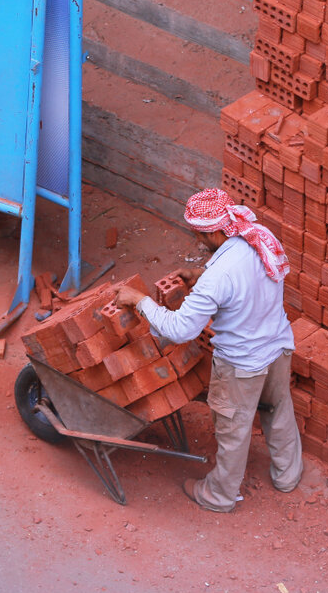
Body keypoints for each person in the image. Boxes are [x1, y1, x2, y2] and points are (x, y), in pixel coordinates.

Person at [115, 188, 303, 512]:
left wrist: (139, 301)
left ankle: (219, 496)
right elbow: (246, 280)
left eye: (199, 234)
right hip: (278, 348)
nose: (197, 239)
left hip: (242, 365)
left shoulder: (218, 277)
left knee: (233, 429)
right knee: (277, 409)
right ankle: (288, 474)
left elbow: (178, 330)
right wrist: (197, 276)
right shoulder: (260, 236)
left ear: (215, 231)